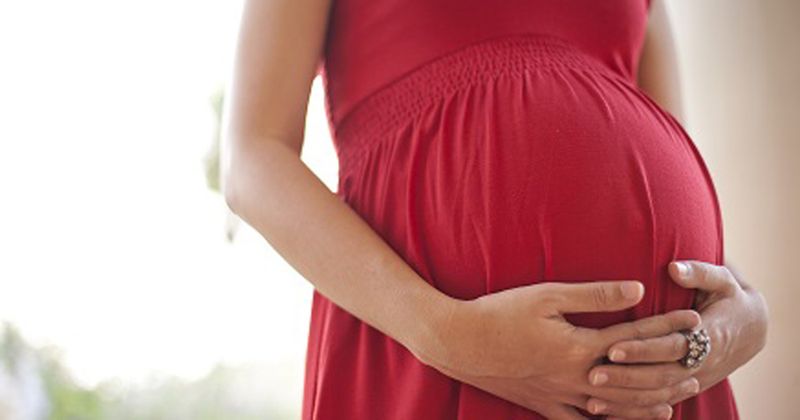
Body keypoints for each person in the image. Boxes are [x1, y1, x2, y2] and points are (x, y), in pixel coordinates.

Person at [220, 0, 768, 419]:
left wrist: (741, 313)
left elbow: (664, 147)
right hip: (431, 353)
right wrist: (448, 335)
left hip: (659, 384)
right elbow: (253, 157)